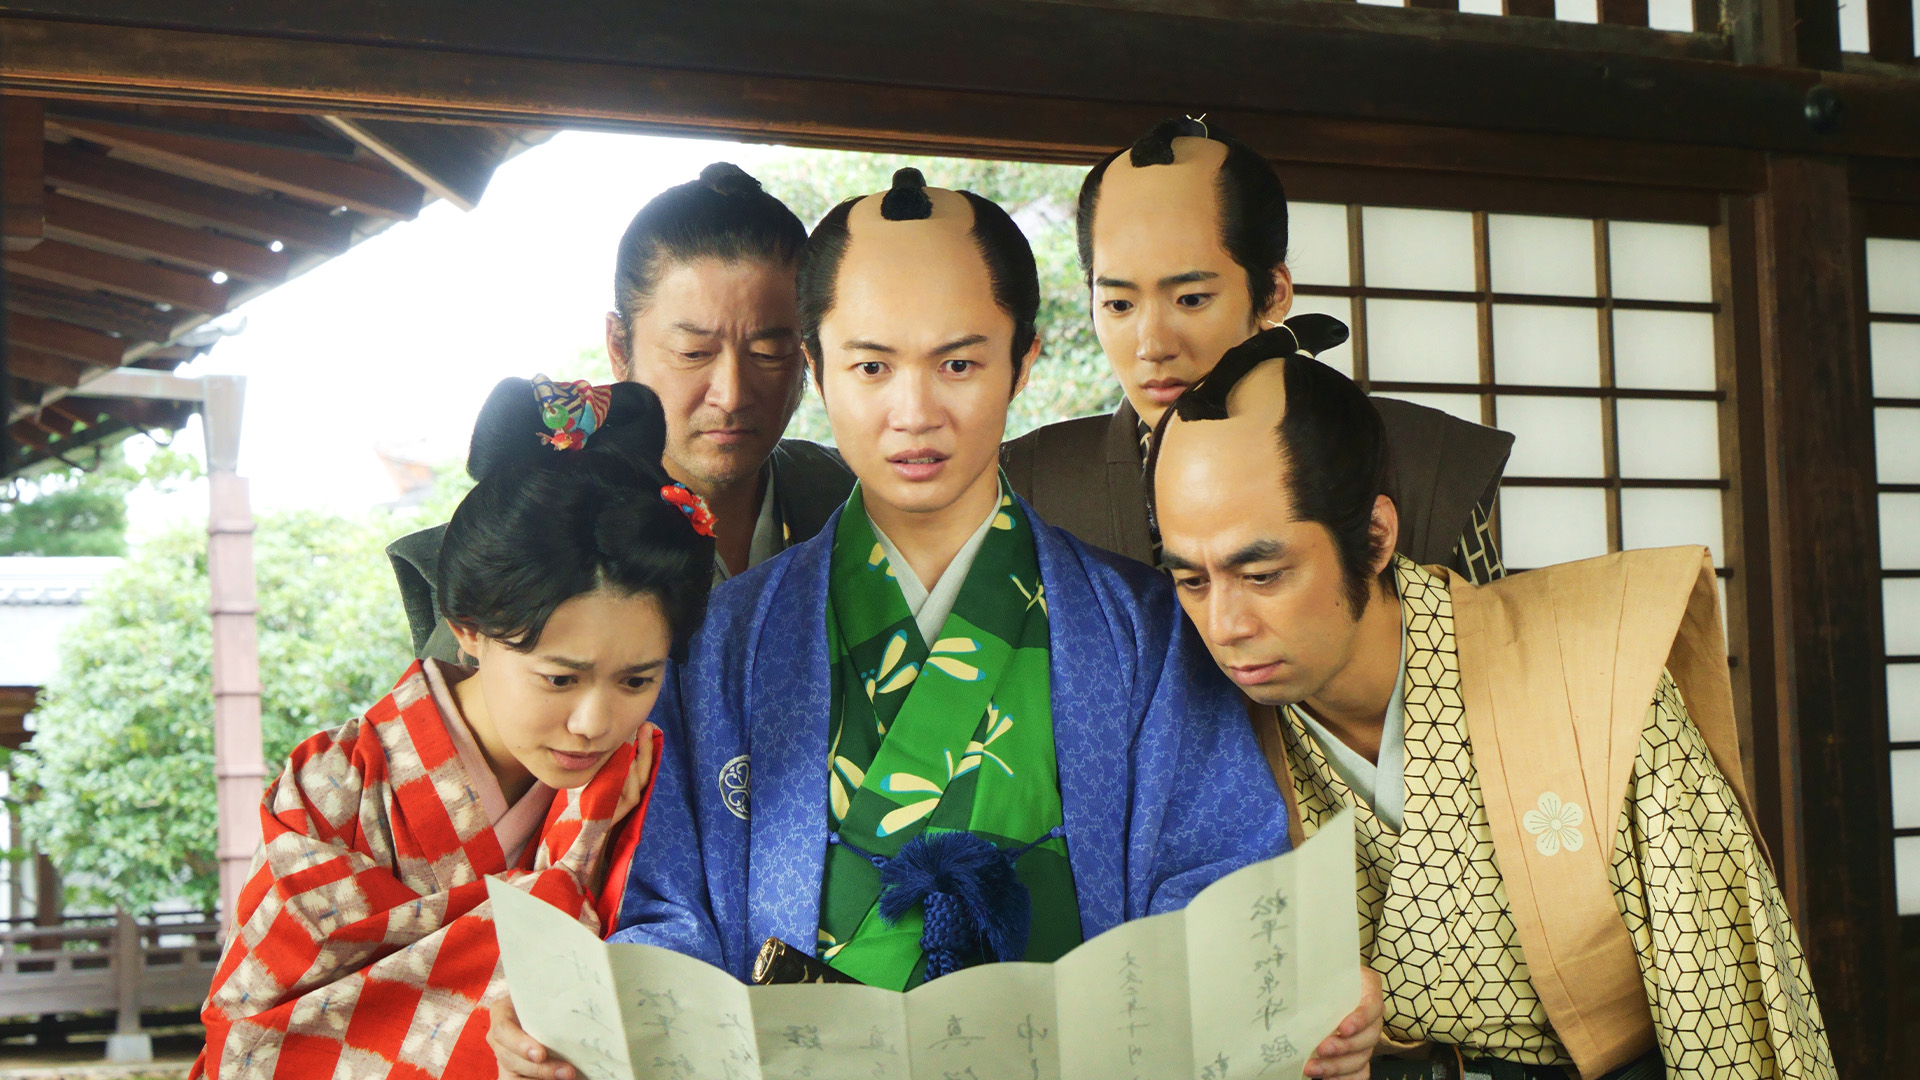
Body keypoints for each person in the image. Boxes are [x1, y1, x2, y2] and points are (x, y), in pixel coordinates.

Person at [493, 170, 1382, 1080]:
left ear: (1023, 361)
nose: (913, 414)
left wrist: (1290, 997)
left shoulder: (1146, 627)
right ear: (816, 368)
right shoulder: (719, 638)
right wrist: (592, 1016)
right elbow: (670, 911)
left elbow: (1216, 880)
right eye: (871, 367)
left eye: (958, 364)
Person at [1147, 328, 1836, 1080]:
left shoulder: (1590, 670)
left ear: (1374, 538)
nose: (1226, 626)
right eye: (1192, 581)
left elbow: (1722, 996)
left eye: (1262, 575)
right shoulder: (1203, 720)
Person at [195, 378, 714, 1079]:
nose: (595, 724)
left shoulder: (649, 776)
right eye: (560, 679)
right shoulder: (332, 789)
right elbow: (253, 1033)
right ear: (468, 629)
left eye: (636, 681)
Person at [1004, 117, 1511, 581]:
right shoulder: (1031, 482)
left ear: (1273, 294)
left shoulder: (1420, 463)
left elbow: (1493, 644)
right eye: (1119, 304)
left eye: (1191, 299)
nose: (1153, 345)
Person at [389, 162, 854, 661]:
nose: (732, 394)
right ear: (618, 346)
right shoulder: (529, 533)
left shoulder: (852, 500)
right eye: (693, 353)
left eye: (769, 353)